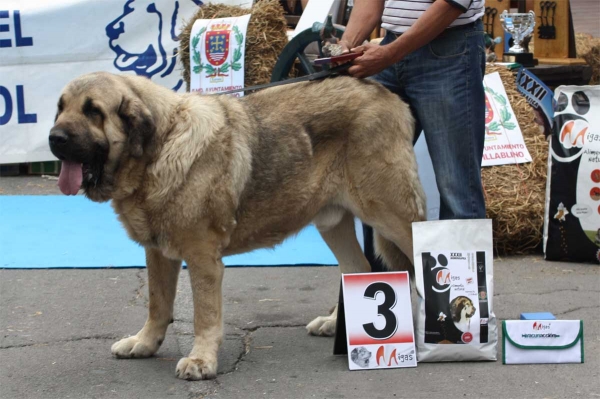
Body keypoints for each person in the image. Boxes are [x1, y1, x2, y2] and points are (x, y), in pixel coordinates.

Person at [338, 0, 487, 270]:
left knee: (457, 187)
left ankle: (462, 306)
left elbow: (451, 5)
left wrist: (390, 53)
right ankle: (385, 299)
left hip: (448, 51)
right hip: (392, 49)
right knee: (372, 182)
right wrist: (344, 46)